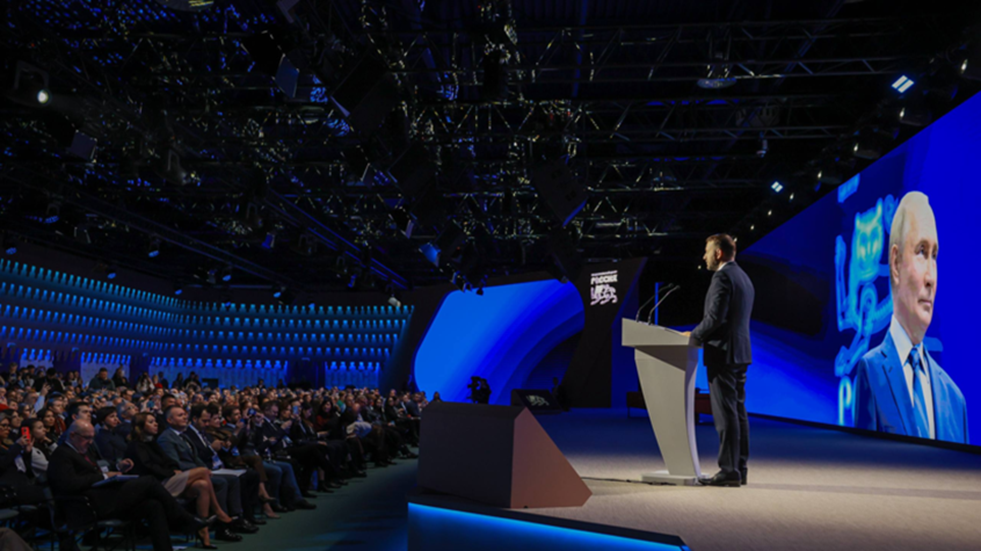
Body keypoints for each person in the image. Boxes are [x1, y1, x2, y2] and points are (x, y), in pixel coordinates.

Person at [853, 192, 967, 443]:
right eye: (921, 251)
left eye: (934, 256)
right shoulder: (871, 371)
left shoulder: (955, 401)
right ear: (895, 263)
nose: (931, 277)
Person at [47, 420, 210, 551]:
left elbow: (95, 471)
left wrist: (117, 468)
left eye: (92, 438)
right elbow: (68, 484)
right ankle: (184, 520)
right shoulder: (62, 454)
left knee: (153, 505)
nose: (90, 442)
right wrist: (104, 476)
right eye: (86, 438)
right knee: (149, 482)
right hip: (86, 506)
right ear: (73, 435)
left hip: (103, 499)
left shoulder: (82, 450)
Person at [683, 233, 755, 487]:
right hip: (740, 353)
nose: (704, 256)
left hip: (723, 353)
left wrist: (694, 335)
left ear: (718, 253)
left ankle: (728, 470)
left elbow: (715, 318)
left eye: (706, 251)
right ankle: (740, 468)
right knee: (738, 412)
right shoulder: (743, 277)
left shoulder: (722, 277)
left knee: (726, 414)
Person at [126, 412, 235, 549]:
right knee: (203, 471)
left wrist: (173, 470)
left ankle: (203, 530)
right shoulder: (136, 445)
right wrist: (171, 472)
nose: (156, 424)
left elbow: (169, 461)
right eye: (151, 422)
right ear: (141, 426)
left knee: (202, 484)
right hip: (155, 486)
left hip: (167, 479)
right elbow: (148, 467)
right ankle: (218, 512)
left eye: (155, 421)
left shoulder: (152, 442)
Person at [156, 406, 249, 541]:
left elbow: (196, 458)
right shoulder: (166, 438)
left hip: (198, 474)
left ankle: (233, 518)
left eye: (184, 414)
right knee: (221, 482)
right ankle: (221, 523)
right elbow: (174, 463)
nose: (185, 417)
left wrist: (203, 469)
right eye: (180, 415)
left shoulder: (183, 435)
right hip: (180, 477)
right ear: (170, 420)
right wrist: (199, 470)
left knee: (226, 480)